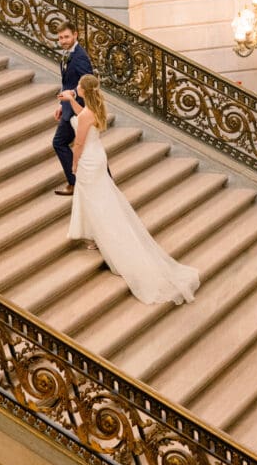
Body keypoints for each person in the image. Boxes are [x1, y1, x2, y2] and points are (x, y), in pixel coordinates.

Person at [58, 74, 200, 305]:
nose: (75, 88)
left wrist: (74, 164)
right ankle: (93, 235)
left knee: (95, 201)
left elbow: (80, 142)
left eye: (78, 87)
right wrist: (70, 101)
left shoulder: (85, 115)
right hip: (98, 157)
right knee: (99, 198)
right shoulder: (93, 108)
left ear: (84, 90)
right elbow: (81, 116)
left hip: (87, 159)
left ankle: (102, 238)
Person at [52, 20, 93, 196]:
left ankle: (74, 182)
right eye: (60, 38)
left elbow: (88, 82)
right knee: (89, 146)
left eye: (67, 36)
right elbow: (67, 82)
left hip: (79, 110)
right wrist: (62, 104)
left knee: (59, 142)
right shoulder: (67, 53)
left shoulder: (80, 56)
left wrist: (73, 96)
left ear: (75, 35)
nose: (63, 40)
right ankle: (103, 181)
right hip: (69, 107)